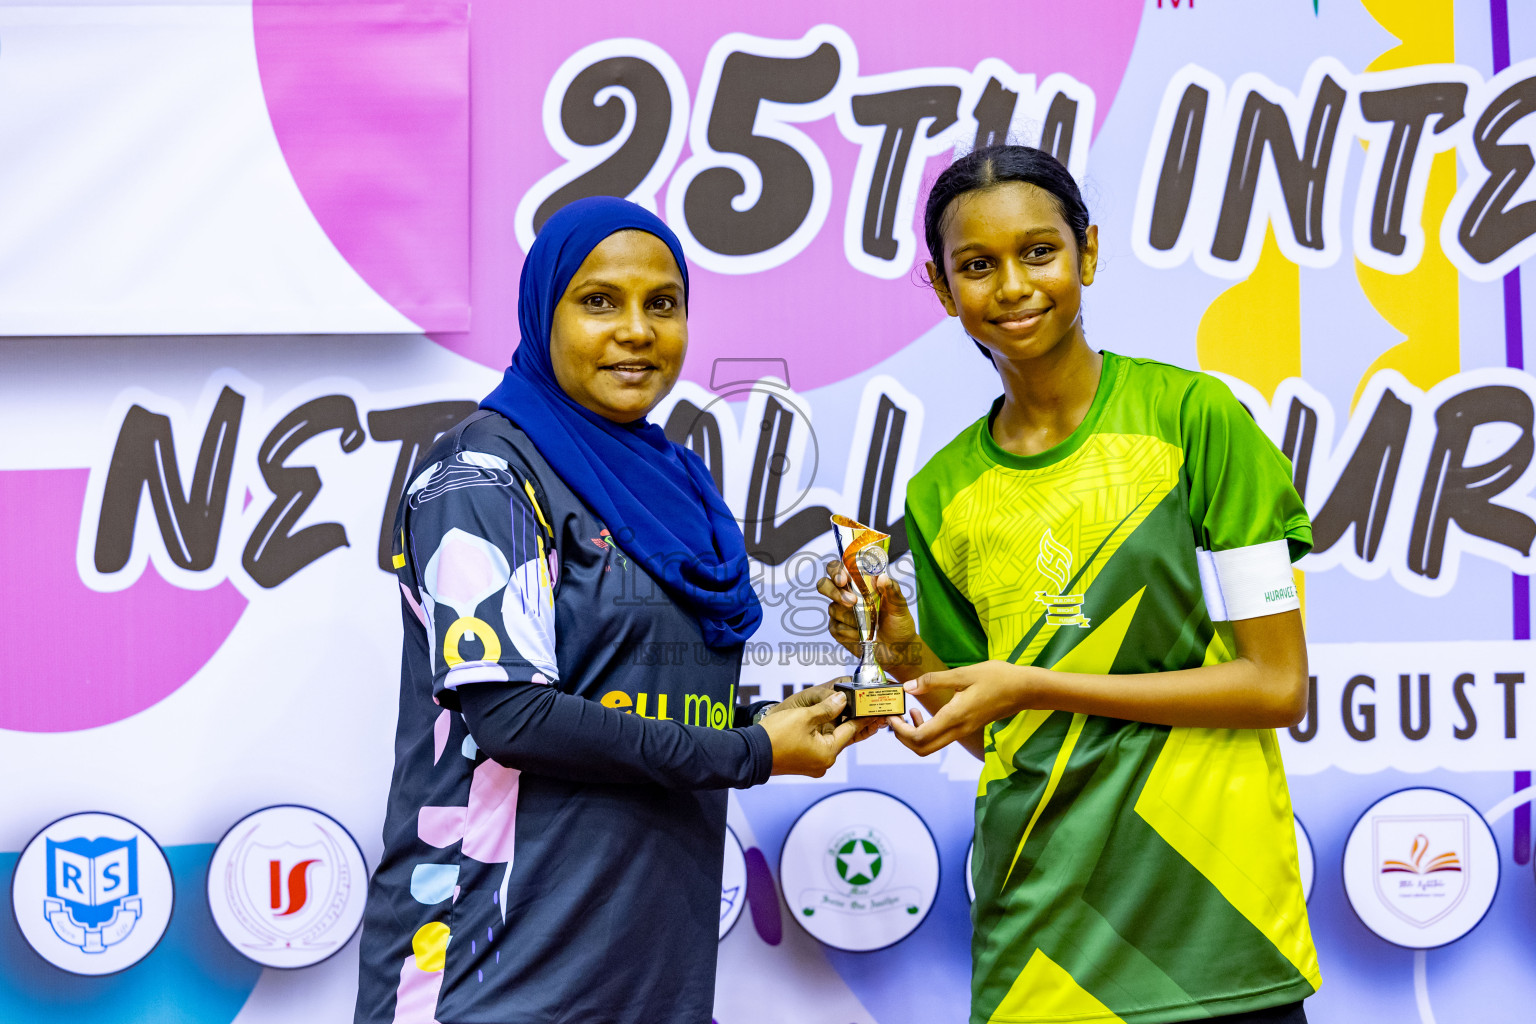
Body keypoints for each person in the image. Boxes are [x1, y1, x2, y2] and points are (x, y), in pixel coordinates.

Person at [820, 146, 1320, 1024]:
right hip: (1041, 937)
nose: (1012, 285)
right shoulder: (940, 493)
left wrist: (1035, 682)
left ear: (1087, 253)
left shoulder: (1196, 421)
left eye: (1039, 252)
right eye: (977, 266)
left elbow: (1275, 685)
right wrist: (899, 654)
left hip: (1218, 923)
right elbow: (994, 736)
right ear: (942, 289)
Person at [355, 196, 867, 1024]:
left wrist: (776, 718)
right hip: (493, 966)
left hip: (646, 963)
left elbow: (631, 693)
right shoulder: (483, 472)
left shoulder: (673, 484)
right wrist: (750, 752)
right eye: (599, 301)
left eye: (662, 304)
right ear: (542, 311)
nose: (637, 330)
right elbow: (513, 715)